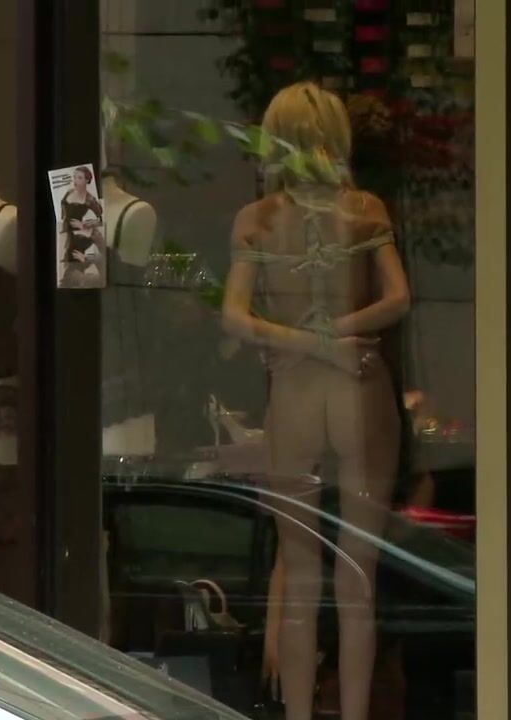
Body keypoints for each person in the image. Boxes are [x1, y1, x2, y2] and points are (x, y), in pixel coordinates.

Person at [221, 81, 411, 720]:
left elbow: (236, 316)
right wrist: (337, 339)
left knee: (300, 580)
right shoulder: (365, 209)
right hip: (358, 385)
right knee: (358, 581)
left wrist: (304, 342)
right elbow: (398, 299)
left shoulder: (258, 219)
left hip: (297, 391)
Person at [60, 166, 105, 287]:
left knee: (72, 267)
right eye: (74, 177)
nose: (75, 180)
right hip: (67, 231)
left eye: (79, 178)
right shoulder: (69, 192)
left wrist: (84, 224)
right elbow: (63, 208)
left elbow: (101, 219)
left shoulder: (90, 199)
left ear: (87, 180)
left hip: (80, 234)